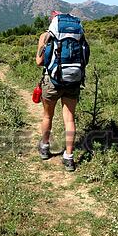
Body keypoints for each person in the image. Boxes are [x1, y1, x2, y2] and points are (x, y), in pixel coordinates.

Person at [35, 11, 87, 172]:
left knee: (47, 115)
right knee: (69, 119)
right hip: (73, 81)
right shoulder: (79, 35)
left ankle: (45, 148)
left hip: (52, 81)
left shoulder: (45, 36)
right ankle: (69, 158)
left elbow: (39, 62)